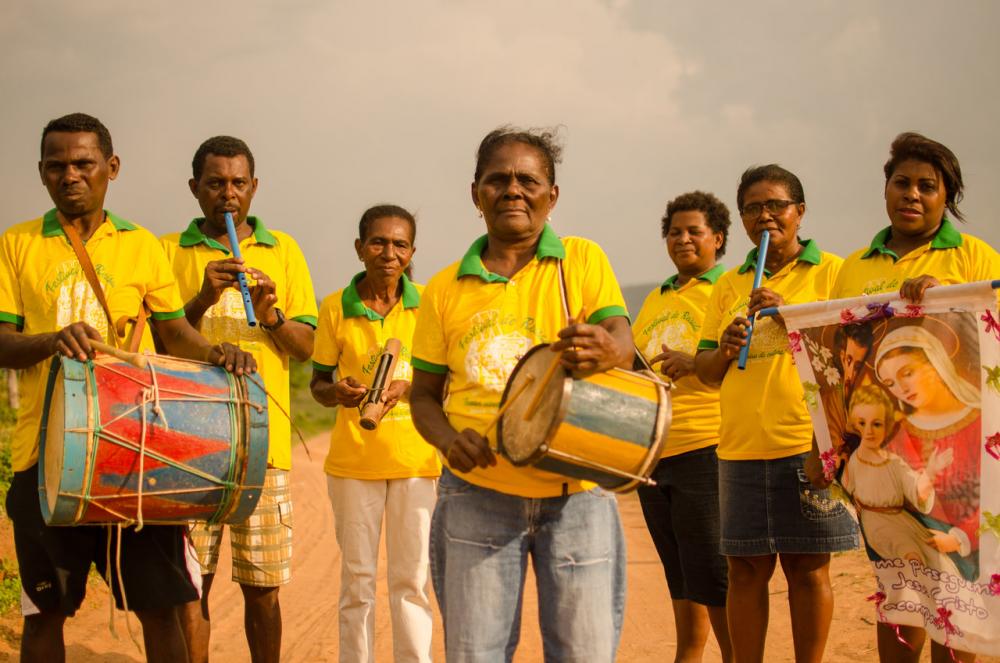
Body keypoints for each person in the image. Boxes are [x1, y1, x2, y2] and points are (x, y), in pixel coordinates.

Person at [0, 113, 256, 663]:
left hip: (138, 455)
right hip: (44, 457)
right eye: (56, 165)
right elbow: (1, 342)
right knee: (45, 615)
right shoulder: (16, 244)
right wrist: (50, 341)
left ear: (110, 168)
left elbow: (173, 333)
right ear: (41, 173)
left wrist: (217, 353)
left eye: (83, 163)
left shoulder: (142, 245)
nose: (70, 175)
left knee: (160, 610)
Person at [409, 126, 634, 662]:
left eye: (527, 180)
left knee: (584, 654)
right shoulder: (442, 288)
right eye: (498, 179)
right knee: (475, 654)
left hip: (577, 490)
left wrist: (607, 348)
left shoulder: (581, 260)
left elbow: (622, 340)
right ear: (476, 194)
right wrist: (446, 440)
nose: (513, 190)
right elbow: (422, 396)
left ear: (551, 196)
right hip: (475, 493)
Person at [805, 131, 1000, 663]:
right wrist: (824, 445)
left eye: (927, 186)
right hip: (885, 463)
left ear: (946, 197)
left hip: (958, 464)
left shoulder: (977, 259)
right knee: (901, 598)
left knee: (954, 602)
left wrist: (944, 304)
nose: (912, 194)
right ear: (886, 189)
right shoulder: (854, 268)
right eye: (902, 182)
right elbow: (836, 367)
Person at [693, 164, 858, 663]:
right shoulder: (728, 284)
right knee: (744, 571)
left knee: (808, 569)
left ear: (799, 212)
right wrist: (723, 349)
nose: (764, 216)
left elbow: (851, 356)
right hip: (740, 446)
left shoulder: (833, 271)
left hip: (805, 444)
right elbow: (704, 371)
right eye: (752, 208)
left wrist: (792, 316)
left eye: (776, 206)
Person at [162, 136, 317, 663]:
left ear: (254, 188)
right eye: (214, 183)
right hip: (188, 444)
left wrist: (271, 313)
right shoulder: (169, 251)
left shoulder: (285, 250)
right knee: (191, 585)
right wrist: (204, 297)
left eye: (238, 183)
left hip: (262, 445)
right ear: (194, 189)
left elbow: (305, 347)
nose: (228, 195)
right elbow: (159, 339)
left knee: (263, 587)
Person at [310, 204, 440, 663]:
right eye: (378, 242)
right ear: (359, 248)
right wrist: (340, 394)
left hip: (416, 464)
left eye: (400, 244)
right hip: (353, 466)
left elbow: (442, 382)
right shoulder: (334, 307)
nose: (389, 252)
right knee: (358, 581)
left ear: (412, 252)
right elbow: (318, 384)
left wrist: (410, 388)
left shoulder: (429, 304)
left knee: (411, 581)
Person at [631, 191, 733, 663]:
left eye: (694, 231)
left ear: (718, 238)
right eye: (674, 231)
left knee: (714, 572)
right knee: (679, 572)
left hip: (707, 445)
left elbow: (743, 362)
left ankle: (739, 656)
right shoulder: (656, 297)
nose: (683, 239)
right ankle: (687, 657)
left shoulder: (728, 288)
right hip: (656, 452)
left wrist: (694, 363)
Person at [873, 327, 980, 580]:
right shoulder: (899, 435)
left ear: (935, 362)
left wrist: (958, 538)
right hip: (926, 556)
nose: (900, 388)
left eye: (907, 373)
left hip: (979, 549)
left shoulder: (981, 419)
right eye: (890, 384)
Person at [839, 384, 960, 577]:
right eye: (862, 424)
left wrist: (931, 472)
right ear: (854, 424)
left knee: (938, 561)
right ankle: (916, 584)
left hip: (901, 520)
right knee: (909, 552)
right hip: (877, 524)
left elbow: (916, 492)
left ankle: (938, 597)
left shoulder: (894, 463)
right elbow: (846, 489)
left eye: (876, 424)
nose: (869, 431)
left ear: (887, 425)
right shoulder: (854, 460)